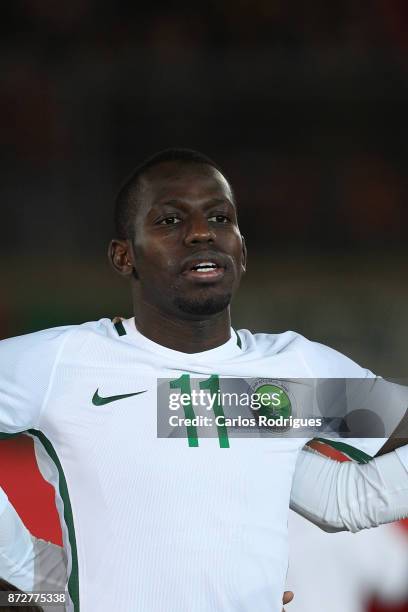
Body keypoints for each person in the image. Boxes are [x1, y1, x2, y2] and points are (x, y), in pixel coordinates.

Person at [1, 148, 408, 612]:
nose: (200, 233)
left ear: (242, 250)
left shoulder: (283, 378)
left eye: (219, 218)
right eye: (170, 221)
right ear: (123, 256)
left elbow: (347, 500)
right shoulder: (66, 363)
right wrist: (29, 582)